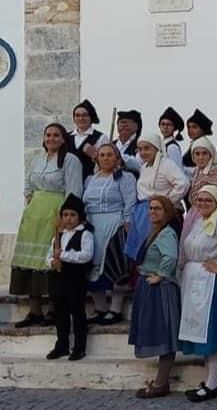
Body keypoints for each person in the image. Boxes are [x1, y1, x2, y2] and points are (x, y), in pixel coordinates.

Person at [11, 123, 83, 328]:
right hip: (34, 215)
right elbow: (29, 184)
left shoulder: (70, 160)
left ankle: (53, 309)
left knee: (50, 259)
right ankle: (34, 310)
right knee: (31, 261)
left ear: (63, 139)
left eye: (56, 135)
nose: (51, 138)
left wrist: (67, 217)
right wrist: (30, 200)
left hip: (55, 212)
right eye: (48, 135)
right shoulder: (37, 159)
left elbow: (74, 189)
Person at [178, 185, 217, 402]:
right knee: (201, 331)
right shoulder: (197, 222)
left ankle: (213, 383)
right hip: (195, 280)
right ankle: (208, 378)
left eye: (208, 200)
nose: (203, 203)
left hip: (212, 282)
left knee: (213, 330)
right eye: (200, 200)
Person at [128, 195, 181, 398]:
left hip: (160, 289)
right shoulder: (155, 231)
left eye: (158, 208)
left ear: (167, 211)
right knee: (159, 331)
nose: (153, 212)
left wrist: (160, 275)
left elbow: (171, 256)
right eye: (151, 208)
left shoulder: (166, 233)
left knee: (164, 332)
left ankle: (161, 382)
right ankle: (161, 380)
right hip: (148, 285)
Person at [84, 144, 137, 325]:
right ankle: (100, 308)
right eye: (102, 155)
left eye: (109, 155)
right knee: (91, 266)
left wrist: (127, 224)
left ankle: (115, 309)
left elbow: (130, 202)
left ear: (117, 158)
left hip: (114, 223)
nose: (105, 158)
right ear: (97, 158)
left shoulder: (125, 178)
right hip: (92, 225)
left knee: (114, 264)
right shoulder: (90, 179)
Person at [124, 134, 189, 265]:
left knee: (154, 248)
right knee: (141, 250)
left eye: (147, 148)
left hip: (158, 212)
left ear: (157, 148)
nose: (143, 152)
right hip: (143, 212)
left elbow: (183, 183)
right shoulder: (145, 167)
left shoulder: (166, 164)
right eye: (140, 149)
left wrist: (166, 203)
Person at [45, 193, 93, 361]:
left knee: (77, 312)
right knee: (61, 313)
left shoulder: (85, 234)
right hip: (58, 279)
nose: (69, 219)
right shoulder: (59, 235)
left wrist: (63, 256)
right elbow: (49, 254)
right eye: (65, 215)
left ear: (79, 217)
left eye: (73, 215)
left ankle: (79, 347)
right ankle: (62, 345)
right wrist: (52, 261)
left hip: (75, 280)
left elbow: (85, 256)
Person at [68, 99, 110, 180]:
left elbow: (107, 162)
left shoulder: (101, 137)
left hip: (90, 181)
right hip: (68, 182)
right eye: (77, 115)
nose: (81, 118)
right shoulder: (66, 137)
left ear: (91, 117)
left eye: (85, 115)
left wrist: (95, 155)